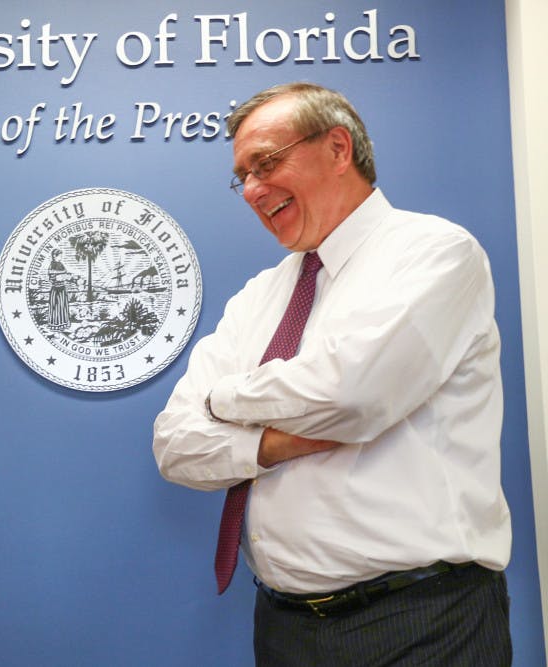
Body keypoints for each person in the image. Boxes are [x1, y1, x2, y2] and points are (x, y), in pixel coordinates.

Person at [153, 82, 512, 665]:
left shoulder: (436, 252)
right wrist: (275, 444)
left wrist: (220, 399)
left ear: (338, 149)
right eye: (241, 175)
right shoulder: (259, 295)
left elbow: (351, 396)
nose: (251, 189)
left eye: (265, 163)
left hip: (421, 621)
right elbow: (174, 445)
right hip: (284, 626)